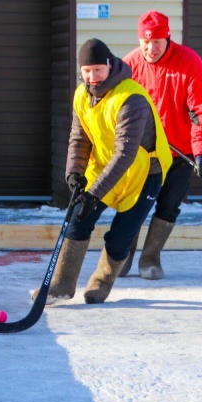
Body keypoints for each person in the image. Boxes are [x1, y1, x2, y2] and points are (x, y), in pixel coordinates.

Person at [35, 38, 172, 304]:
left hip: (143, 173)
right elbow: (79, 138)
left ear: (110, 65)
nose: (92, 76)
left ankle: (101, 283)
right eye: (87, 70)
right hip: (104, 166)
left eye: (98, 69)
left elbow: (125, 154)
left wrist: (94, 194)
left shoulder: (131, 99)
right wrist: (74, 172)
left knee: (121, 235)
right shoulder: (81, 95)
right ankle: (60, 286)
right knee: (78, 218)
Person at [120, 10, 202, 280]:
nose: (151, 49)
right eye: (146, 42)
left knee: (169, 205)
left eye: (157, 42)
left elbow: (201, 110)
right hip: (143, 153)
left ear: (168, 38)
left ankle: (150, 258)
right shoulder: (129, 66)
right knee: (133, 203)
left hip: (179, 152)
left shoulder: (189, 63)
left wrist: (201, 152)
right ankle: (121, 257)